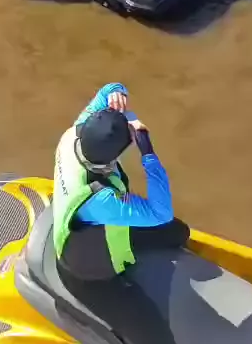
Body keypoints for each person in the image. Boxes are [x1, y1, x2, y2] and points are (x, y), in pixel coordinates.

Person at [54, 83, 189, 344]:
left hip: (97, 226)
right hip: (87, 274)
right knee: (157, 340)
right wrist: (148, 153)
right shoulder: (101, 199)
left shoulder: (73, 134)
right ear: (111, 159)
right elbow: (160, 212)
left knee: (177, 232)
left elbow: (107, 90)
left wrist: (118, 92)